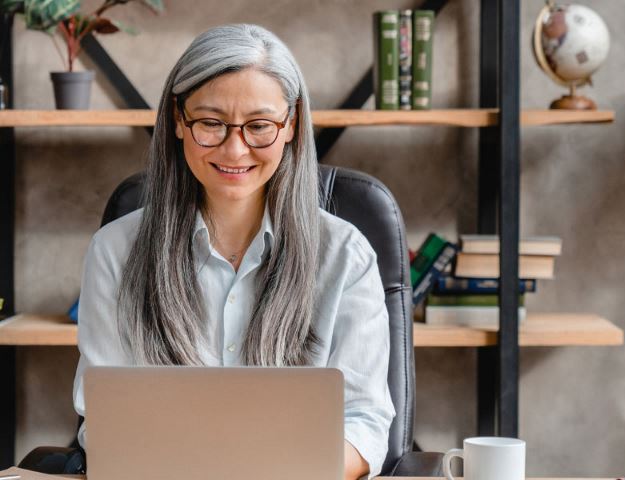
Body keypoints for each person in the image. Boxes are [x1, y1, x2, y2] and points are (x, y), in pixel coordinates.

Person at [72, 24, 395, 480]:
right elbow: (105, 424)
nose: (235, 148)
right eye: (211, 123)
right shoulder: (114, 252)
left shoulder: (345, 255)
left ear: (292, 125)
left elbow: (365, 425)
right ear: (179, 120)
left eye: (259, 126)